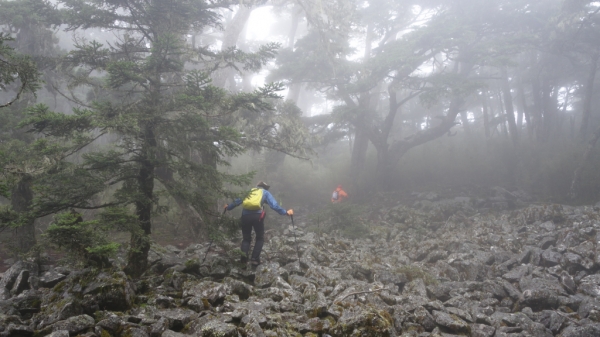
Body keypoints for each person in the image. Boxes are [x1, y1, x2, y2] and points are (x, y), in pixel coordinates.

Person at [224, 181, 293, 266]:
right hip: (257, 217)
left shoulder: (249, 191)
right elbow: (274, 205)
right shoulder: (265, 192)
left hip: (245, 217)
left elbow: (237, 201)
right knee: (260, 238)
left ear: (257, 186)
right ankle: (254, 259)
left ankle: (243, 260)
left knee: (246, 239)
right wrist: (286, 212)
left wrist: (228, 207)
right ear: (265, 187)